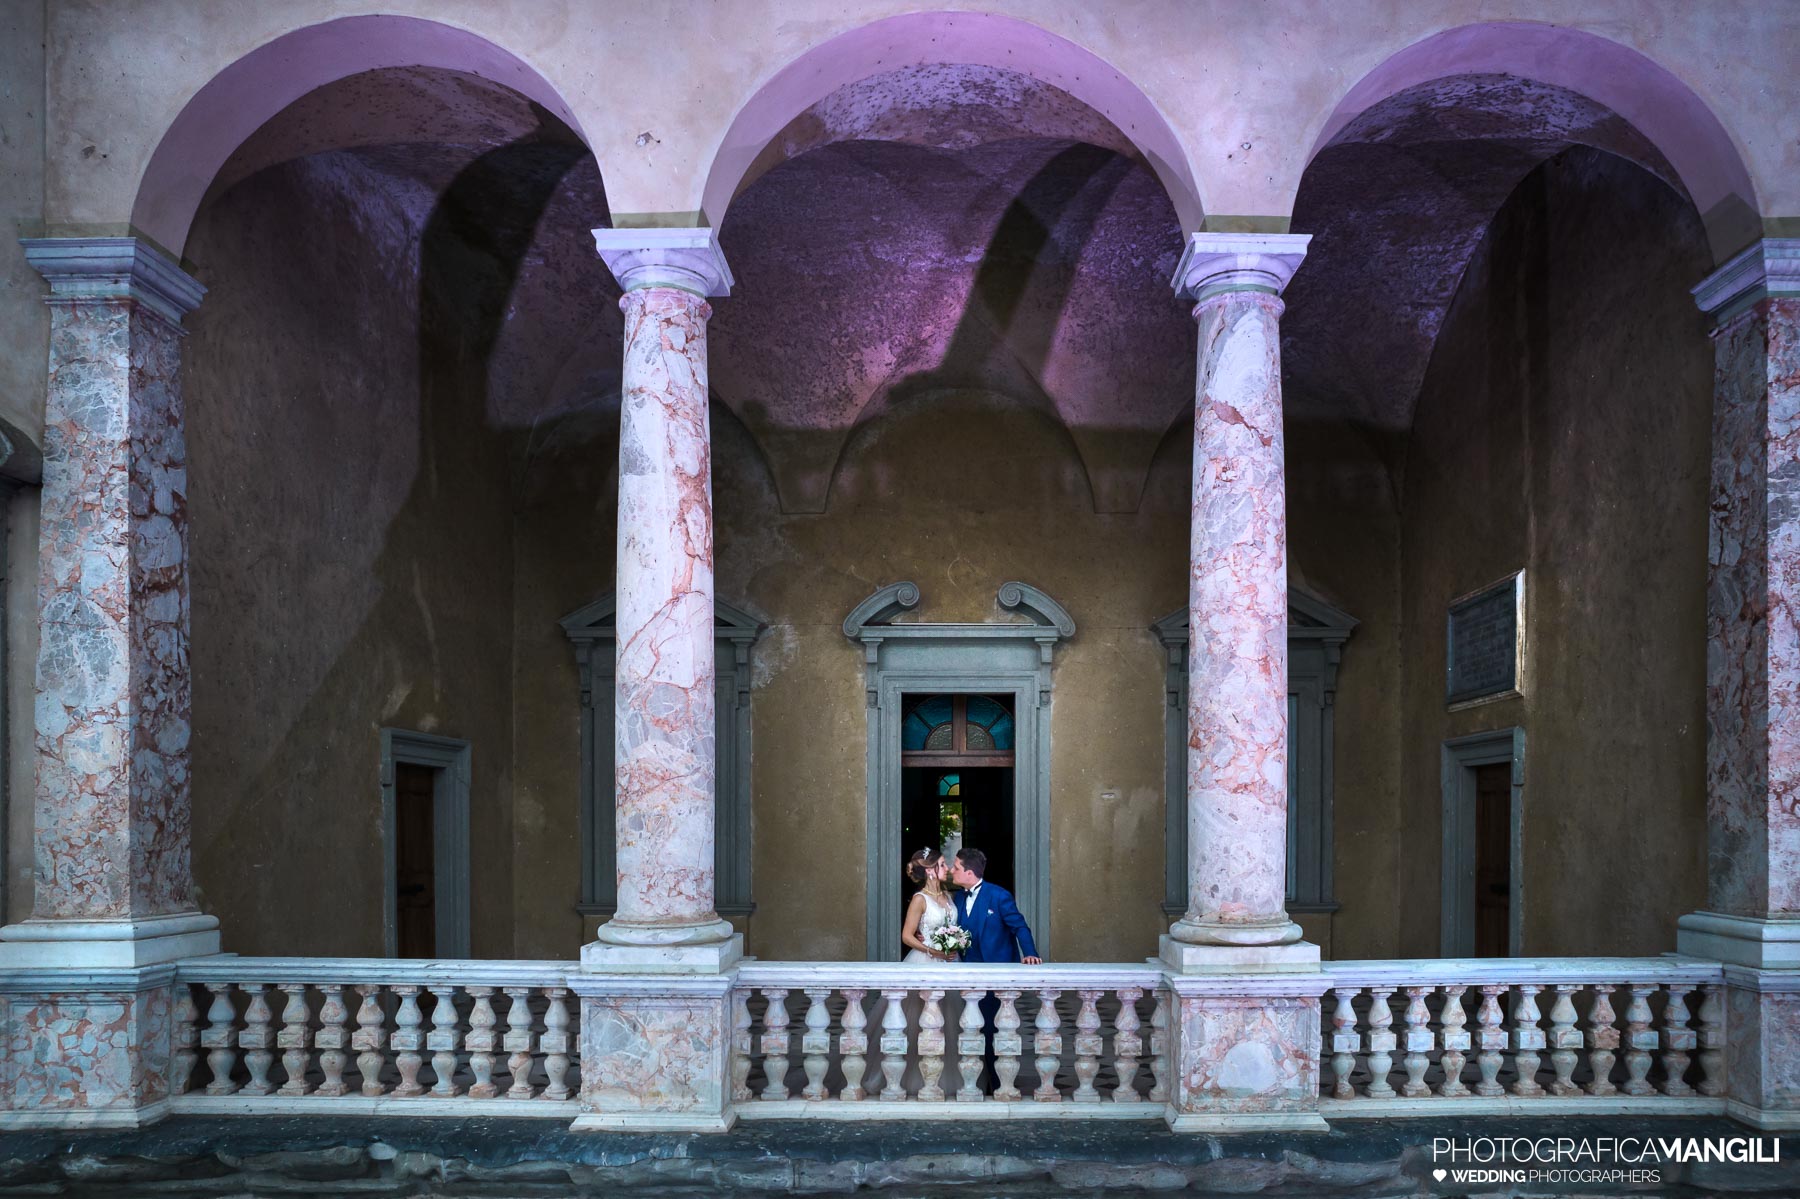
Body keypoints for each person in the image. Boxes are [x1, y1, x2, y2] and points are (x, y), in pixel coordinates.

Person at [950, 847, 1040, 1094]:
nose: (951, 871)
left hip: (995, 975)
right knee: (969, 1028)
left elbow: (1019, 927)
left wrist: (1030, 953)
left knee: (992, 1029)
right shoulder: (957, 899)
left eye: (955, 867)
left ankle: (998, 1083)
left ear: (969, 872)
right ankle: (973, 1081)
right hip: (965, 976)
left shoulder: (999, 896)